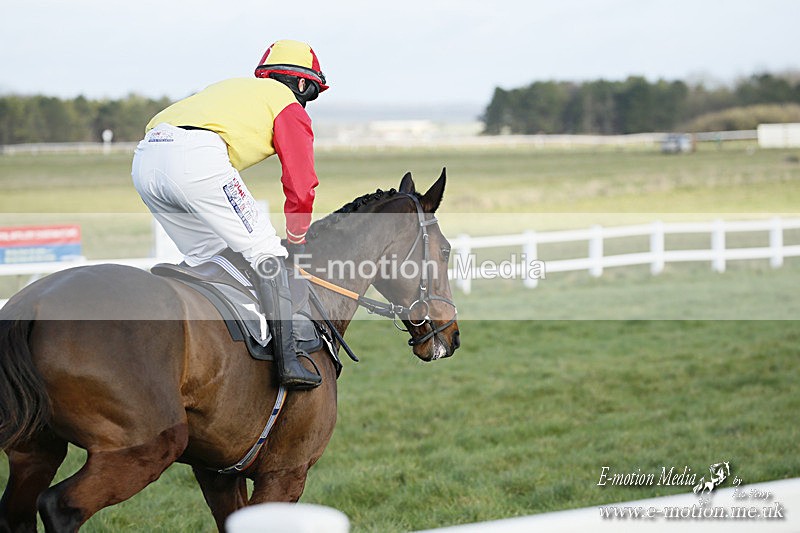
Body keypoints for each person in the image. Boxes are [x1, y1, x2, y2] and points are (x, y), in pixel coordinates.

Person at [131, 39, 327, 390]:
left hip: (146, 160)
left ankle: (208, 346)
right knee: (267, 251)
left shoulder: (232, 88)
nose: (306, 102)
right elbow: (301, 183)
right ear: (301, 83)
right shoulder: (288, 107)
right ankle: (288, 362)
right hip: (194, 159)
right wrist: (296, 239)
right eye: (310, 94)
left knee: (210, 255)